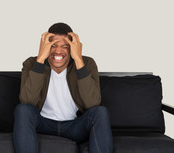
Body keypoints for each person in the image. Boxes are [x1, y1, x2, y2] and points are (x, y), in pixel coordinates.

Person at [13, 23, 113, 153]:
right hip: (42, 124)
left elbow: (92, 103)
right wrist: (40, 59)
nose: (58, 51)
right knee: (22, 109)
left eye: (65, 46)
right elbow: (27, 101)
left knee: (100, 112)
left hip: (74, 127)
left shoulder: (87, 63)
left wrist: (78, 60)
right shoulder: (32, 63)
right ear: (45, 47)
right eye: (53, 46)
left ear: (72, 48)